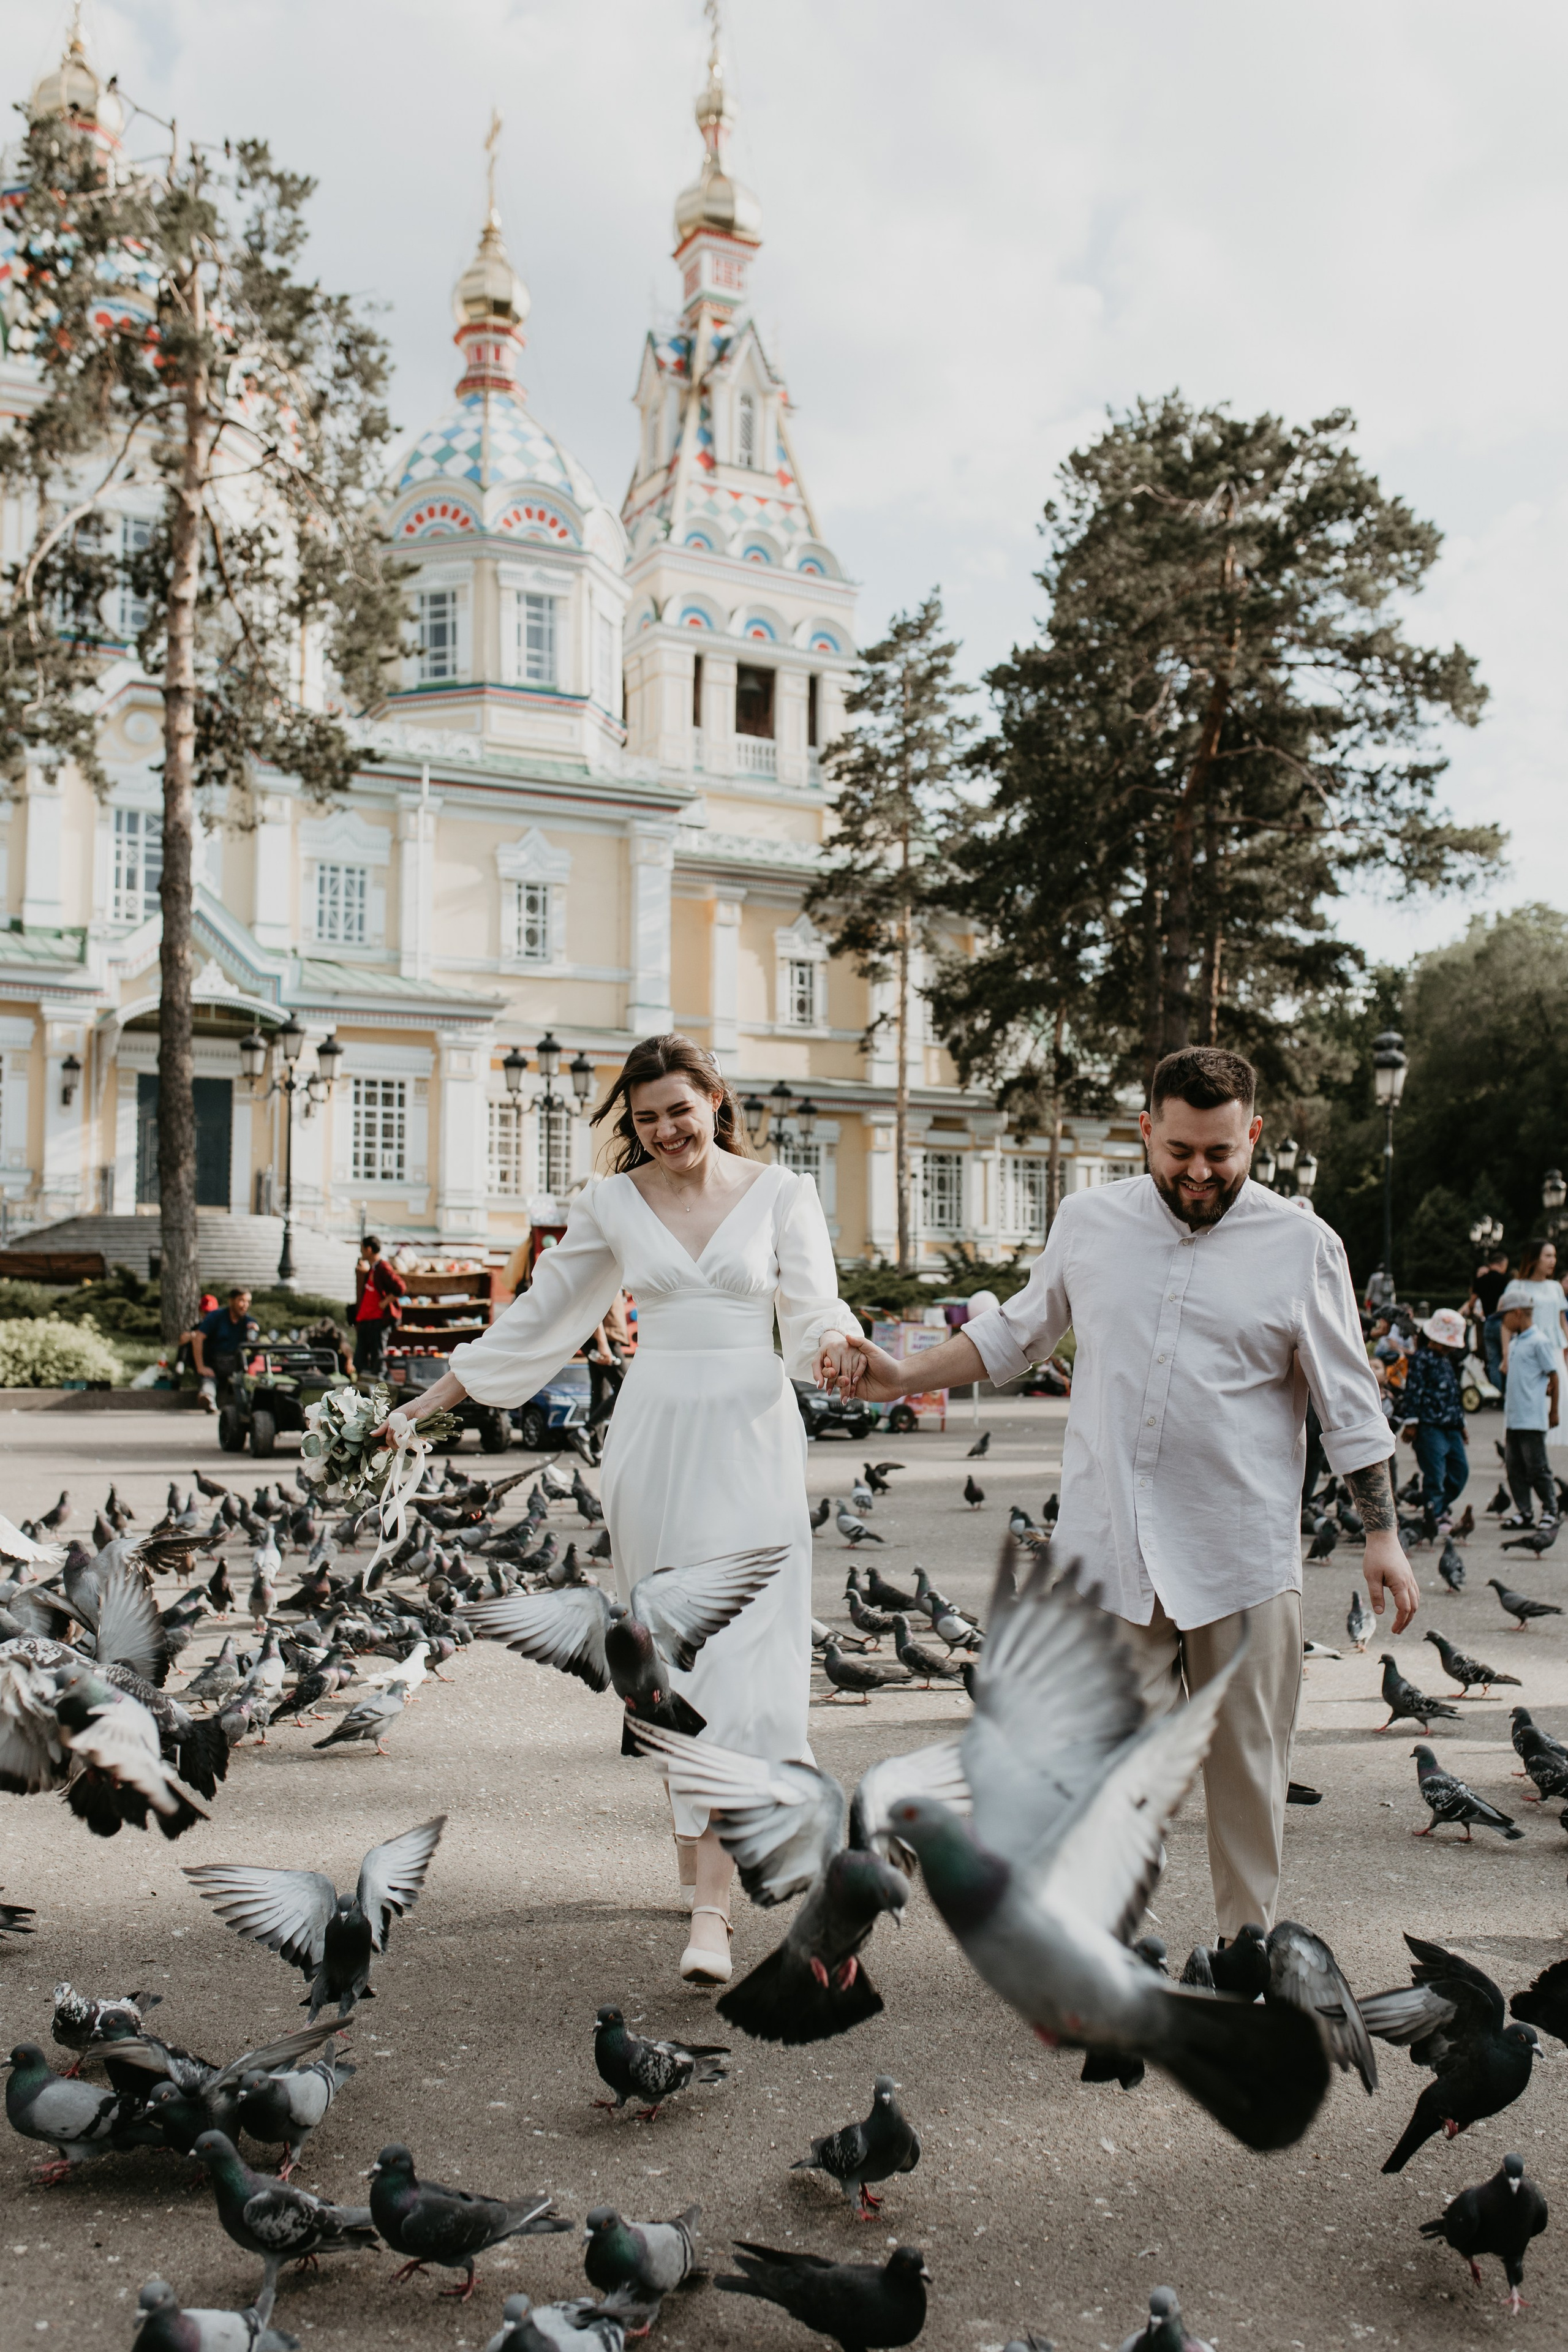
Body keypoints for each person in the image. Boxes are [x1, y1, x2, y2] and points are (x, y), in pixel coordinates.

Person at [840, 1045, 1417, 1942]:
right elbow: (1016, 1334)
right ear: (1146, 1131)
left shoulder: (1304, 1246)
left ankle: (1246, 1951)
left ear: (1253, 1137)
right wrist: (901, 1375)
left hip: (1240, 1558)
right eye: (1179, 1150)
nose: (1198, 1172)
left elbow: (1349, 1405)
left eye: (1220, 1154)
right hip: (1111, 1553)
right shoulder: (1089, 1222)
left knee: (1248, 1773)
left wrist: (1383, 1537)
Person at [379, 1033, 861, 1986]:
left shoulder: (782, 1193)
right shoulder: (609, 1204)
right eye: (645, 1119)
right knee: (675, 1661)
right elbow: (542, 1315)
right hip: (654, 1444)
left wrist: (843, 1350)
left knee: (750, 1662)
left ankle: (713, 1906)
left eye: (680, 1109)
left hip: (755, 1438)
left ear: (715, 1099)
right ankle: (707, 1886)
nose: (667, 1130)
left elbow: (816, 1311)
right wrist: (431, 1401)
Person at [1398, 1308, 1470, 1529]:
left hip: (1451, 1426)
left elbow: (1454, 1394)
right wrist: (1411, 1422)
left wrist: (1462, 1423)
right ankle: (1434, 1514)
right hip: (1429, 1426)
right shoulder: (1421, 1359)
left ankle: (1439, 1505)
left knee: (1460, 1471)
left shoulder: (1447, 1362)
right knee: (1434, 1473)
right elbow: (1413, 1391)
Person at [1496, 1282, 1560, 1529]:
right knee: (1514, 1469)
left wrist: (1553, 1410)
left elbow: (1554, 1376)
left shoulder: (1539, 1341)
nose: (1503, 1322)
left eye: (1505, 1316)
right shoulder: (1515, 1343)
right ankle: (1524, 1511)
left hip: (1532, 1418)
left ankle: (1550, 1510)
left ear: (1518, 1313)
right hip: (1514, 1418)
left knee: (1537, 1467)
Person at [1508, 1239, 1568, 1458]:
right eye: (1548, 1256)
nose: (1553, 1261)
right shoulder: (1518, 1286)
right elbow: (1505, 1323)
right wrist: (1506, 1356)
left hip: (1553, 1347)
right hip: (1526, 1348)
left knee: (1558, 1393)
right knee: (1528, 1395)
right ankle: (1523, 1450)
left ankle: (1548, 1452)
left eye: (1554, 1256)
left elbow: (1562, 1320)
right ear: (1534, 1259)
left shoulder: (1555, 1287)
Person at [190, 1286, 259, 1411]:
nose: (245, 1305)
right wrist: (201, 1367)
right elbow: (198, 1338)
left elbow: (256, 1351)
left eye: (248, 1302)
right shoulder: (216, 1317)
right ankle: (207, 1398)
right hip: (214, 1363)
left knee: (245, 1380)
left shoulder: (249, 1322)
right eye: (242, 1301)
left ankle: (251, 1405)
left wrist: (254, 1336)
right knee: (209, 1381)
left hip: (236, 1364)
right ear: (231, 1301)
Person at [353, 1235, 407, 1378]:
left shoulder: (383, 1267)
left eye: (362, 1249)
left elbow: (400, 1287)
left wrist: (385, 1302)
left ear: (369, 1249)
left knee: (378, 1360)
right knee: (360, 1361)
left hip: (377, 1320)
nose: (361, 1252)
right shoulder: (374, 1268)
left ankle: (381, 1389)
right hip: (367, 1319)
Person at [1466, 1246, 1510, 1395]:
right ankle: (1507, 1394)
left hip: (1488, 1323)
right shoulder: (1506, 1281)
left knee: (1493, 1362)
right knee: (1508, 1358)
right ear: (1502, 1264)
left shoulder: (1481, 1280)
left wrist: (1473, 1314)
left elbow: (1471, 1303)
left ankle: (1497, 1394)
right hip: (1504, 1323)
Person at [586, 1289, 632, 1430]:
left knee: (600, 1392)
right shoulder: (608, 1270)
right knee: (627, 1388)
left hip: (603, 1339)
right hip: (606, 1340)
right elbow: (594, 1307)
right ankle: (585, 1432)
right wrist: (602, 1343)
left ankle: (596, 1449)